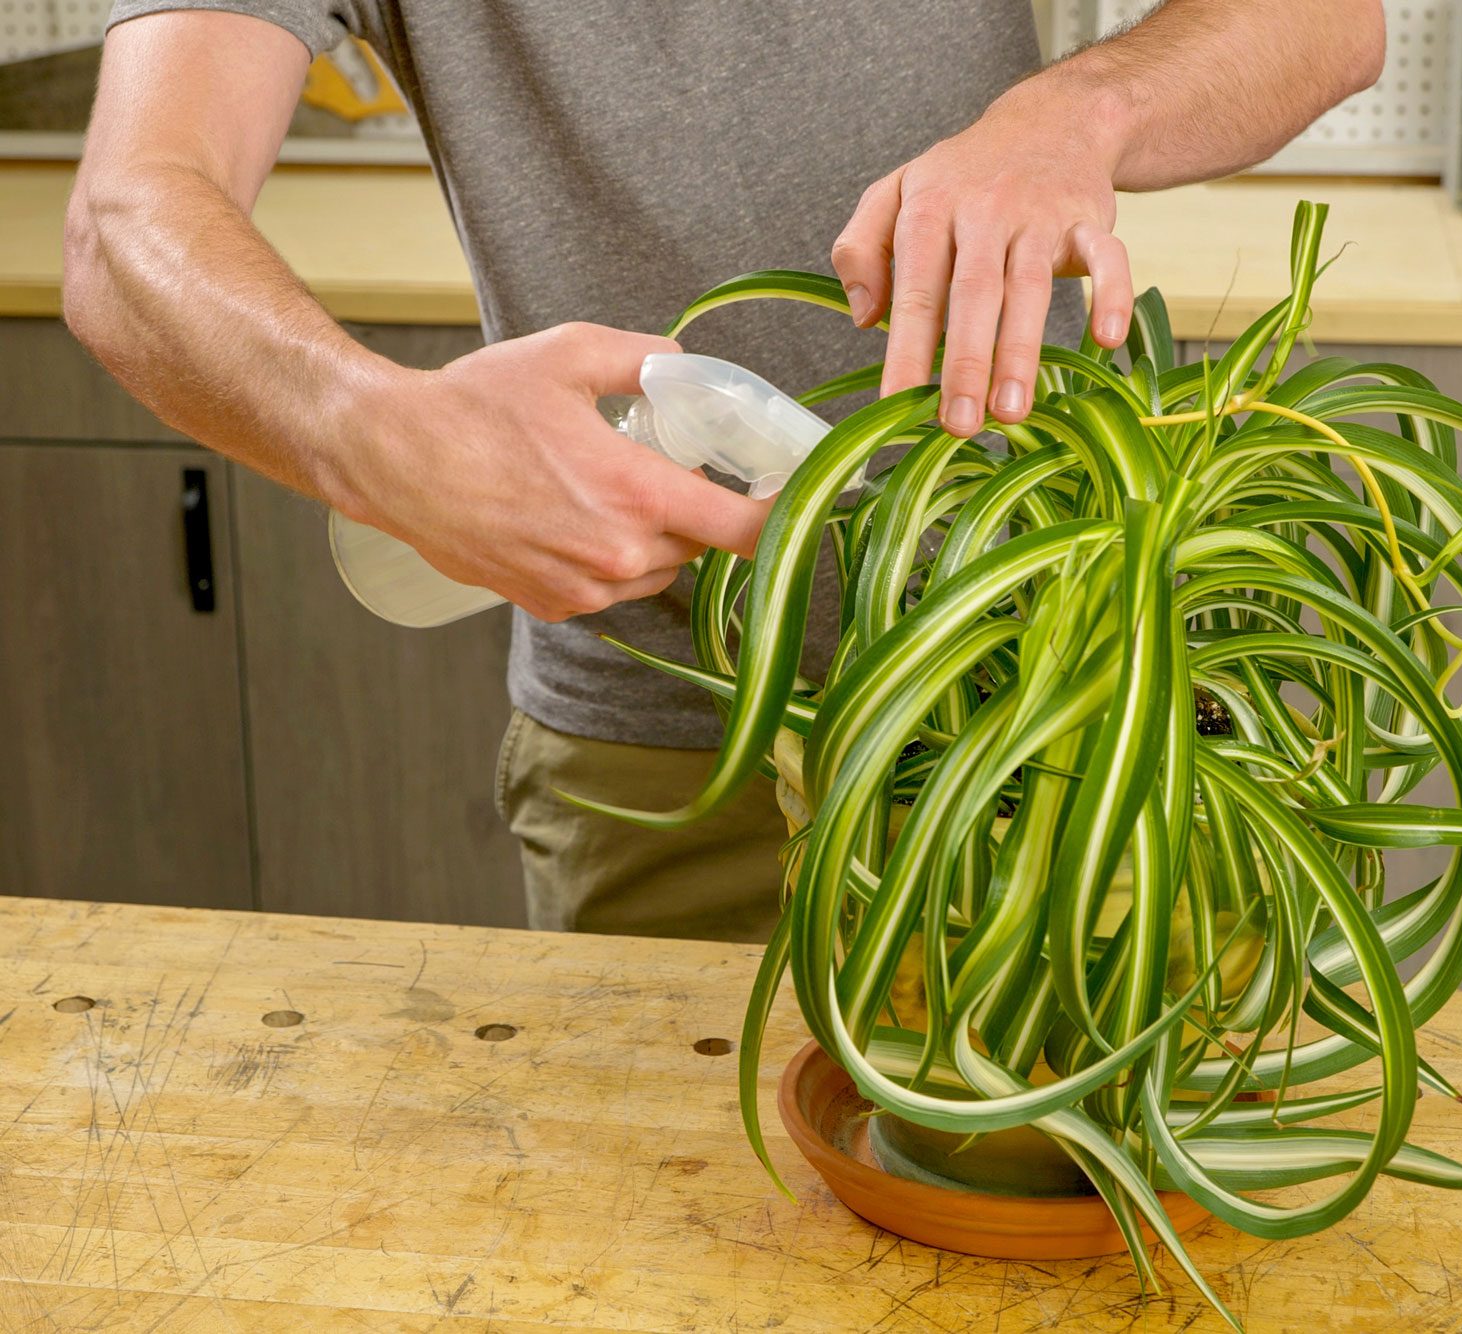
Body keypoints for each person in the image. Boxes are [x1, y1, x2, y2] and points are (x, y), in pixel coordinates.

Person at [64, 0, 1386, 941]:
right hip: (660, 759)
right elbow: (131, 219)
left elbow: (1325, 16)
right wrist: (372, 428)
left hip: (1049, 712)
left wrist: (1077, 112)